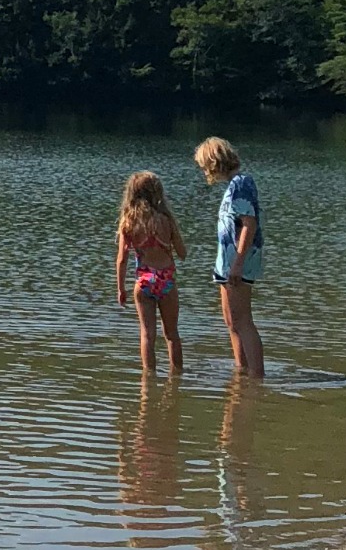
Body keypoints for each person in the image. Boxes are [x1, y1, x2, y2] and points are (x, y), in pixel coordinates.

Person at [194, 136, 264, 376]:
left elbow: (249, 225)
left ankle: (256, 376)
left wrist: (237, 263)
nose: (204, 171)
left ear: (215, 162)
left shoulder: (241, 184)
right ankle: (241, 373)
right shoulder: (234, 185)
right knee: (231, 322)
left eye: (205, 166)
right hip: (226, 264)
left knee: (243, 321)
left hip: (238, 264)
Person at [113, 169, 186, 372]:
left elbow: (121, 260)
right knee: (171, 334)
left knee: (147, 335)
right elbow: (183, 253)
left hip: (143, 281)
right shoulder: (166, 220)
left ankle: (148, 379)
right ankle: (177, 375)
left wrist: (121, 288)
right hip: (166, 280)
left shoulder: (128, 222)